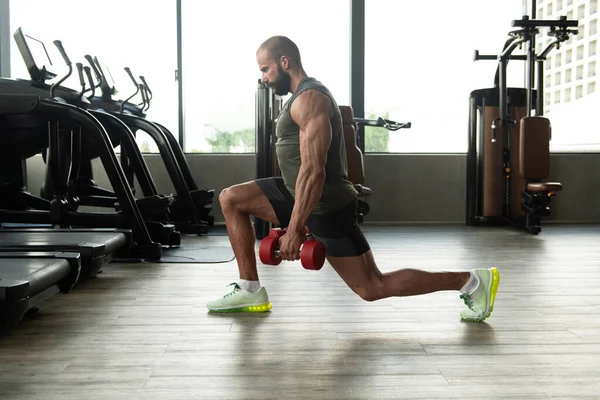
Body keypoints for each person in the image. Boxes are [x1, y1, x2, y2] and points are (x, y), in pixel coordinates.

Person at [206, 36, 500, 322]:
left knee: (372, 287)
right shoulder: (297, 97)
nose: (264, 78)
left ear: (285, 62)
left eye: (265, 69)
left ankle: (472, 282)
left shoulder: (310, 99)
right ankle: (250, 290)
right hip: (293, 192)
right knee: (231, 198)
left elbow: (314, 170)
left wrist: (294, 229)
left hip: (325, 205)